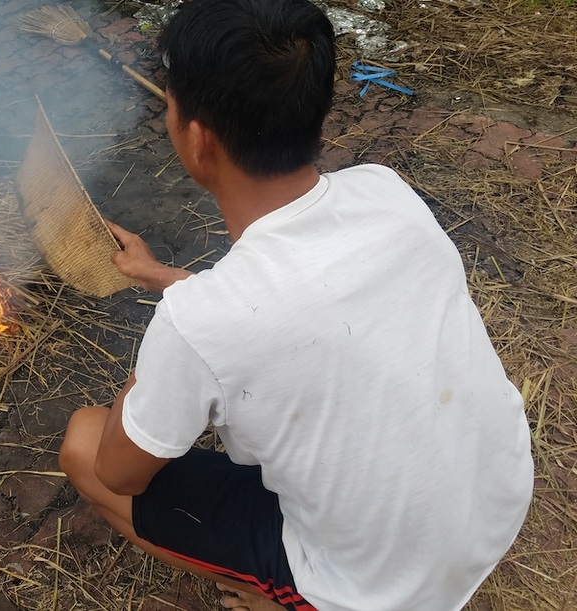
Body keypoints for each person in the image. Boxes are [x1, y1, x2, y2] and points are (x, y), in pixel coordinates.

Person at [57, 0, 534, 609]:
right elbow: (295, 305)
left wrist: (163, 349)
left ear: (198, 141)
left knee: (82, 442)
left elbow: (120, 471)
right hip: (494, 502)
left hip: (379, 587)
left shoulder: (197, 324)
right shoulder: (386, 191)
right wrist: (169, 279)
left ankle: (279, 593)